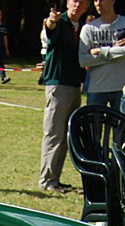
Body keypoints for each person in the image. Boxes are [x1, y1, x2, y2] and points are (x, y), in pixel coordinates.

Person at [38, 0, 89, 194]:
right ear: (68, 3)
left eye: (82, 2)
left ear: (86, 7)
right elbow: (50, 29)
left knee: (66, 136)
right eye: (74, 1)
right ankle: (47, 180)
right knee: (54, 133)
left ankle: (55, 179)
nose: (77, 5)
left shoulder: (83, 28)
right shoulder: (60, 22)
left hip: (75, 85)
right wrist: (51, 21)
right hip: (58, 84)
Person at [78, 0, 125, 109]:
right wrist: (114, 51)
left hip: (122, 88)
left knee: (121, 125)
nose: (98, 3)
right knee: (94, 125)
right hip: (96, 88)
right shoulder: (88, 28)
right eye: (95, 0)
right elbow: (83, 60)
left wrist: (99, 51)